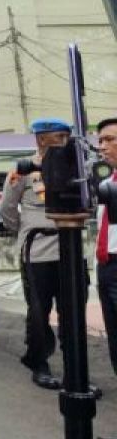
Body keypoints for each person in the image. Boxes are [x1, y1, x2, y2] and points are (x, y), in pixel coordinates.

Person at [0, 118, 70, 390]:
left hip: (69, 250)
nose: (65, 141)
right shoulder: (23, 170)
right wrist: (27, 230)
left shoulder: (74, 167)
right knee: (39, 312)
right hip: (37, 252)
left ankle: (76, 369)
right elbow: (7, 210)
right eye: (59, 136)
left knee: (72, 312)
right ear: (41, 139)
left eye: (66, 136)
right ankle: (39, 362)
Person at [96, 118, 117, 389]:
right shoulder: (107, 180)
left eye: (110, 140)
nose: (103, 146)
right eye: (100, 140)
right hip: (106, 266)